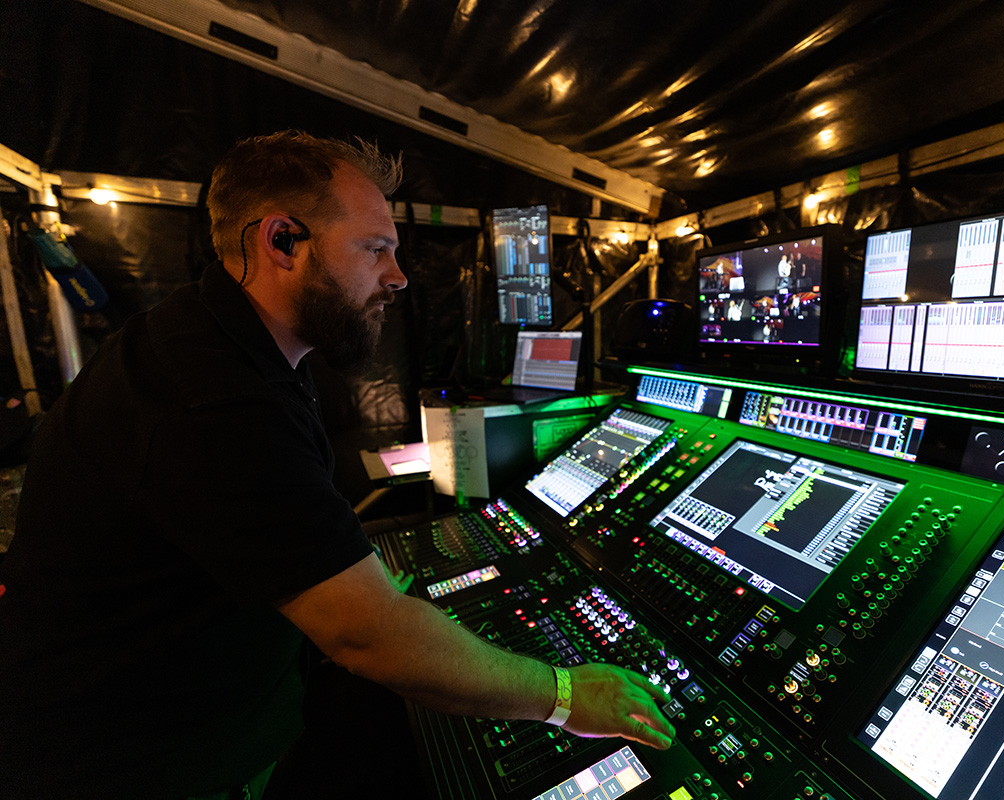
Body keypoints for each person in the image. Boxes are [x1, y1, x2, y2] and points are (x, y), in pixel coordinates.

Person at [0, 131, 674, 800]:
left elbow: (276, 535)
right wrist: (564, 695)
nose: (398, 276)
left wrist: (346, 573)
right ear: (283, 241)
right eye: (375, 248)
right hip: (129, 768)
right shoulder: (212, 397)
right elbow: (366, 637)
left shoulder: (226, 347)